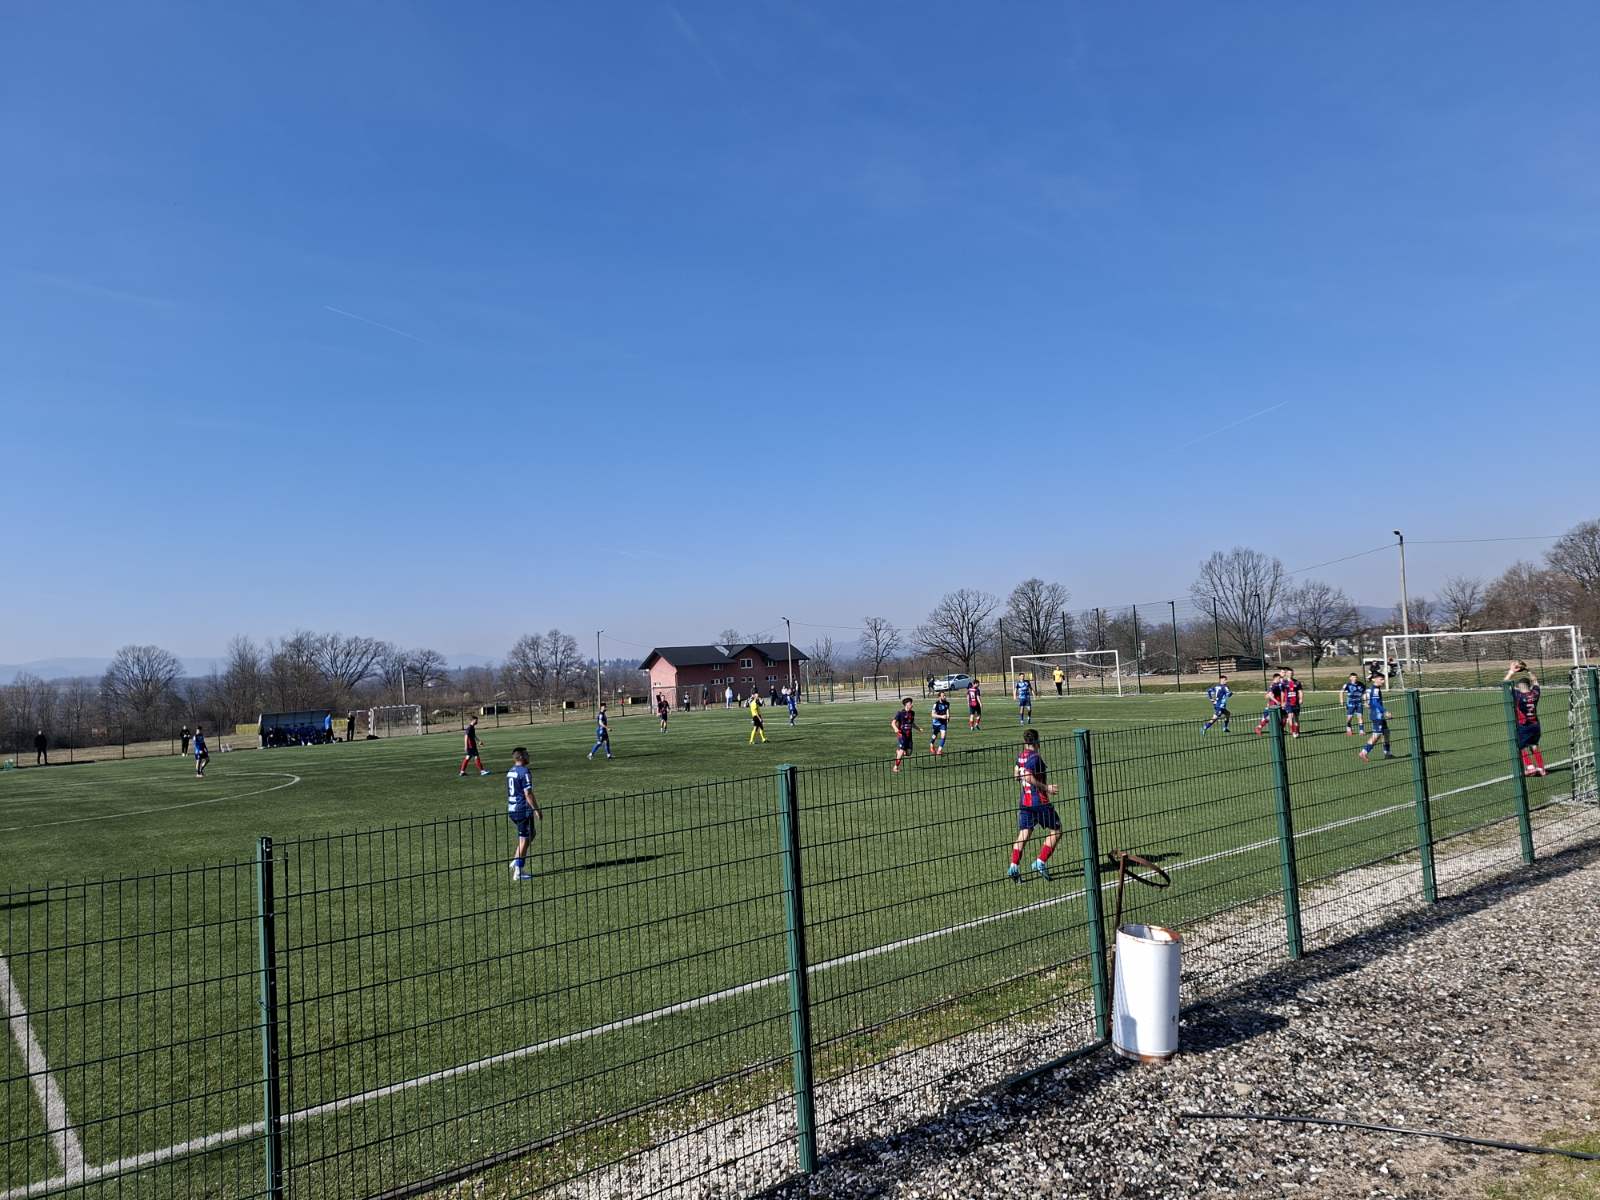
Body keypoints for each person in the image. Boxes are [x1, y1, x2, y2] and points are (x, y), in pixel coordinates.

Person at [1008, 728, 1061, 882]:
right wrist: (1046, 787)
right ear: (1037, 741)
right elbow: (1026, 775)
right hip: (1039, 801)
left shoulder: (1021, 756)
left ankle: (1013, 866)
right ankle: (1040, 862)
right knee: (1056, 830)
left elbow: (1016, 774)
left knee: (1024, 833)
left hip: (1025, 802)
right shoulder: (1035, 757)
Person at [505, 746, 543, 881]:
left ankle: (516, 860)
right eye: (527, 754)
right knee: (524, 839)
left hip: (512, 809)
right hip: (522, 810)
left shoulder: (511, 771)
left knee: (531, 834)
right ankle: (518, 871)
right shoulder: (524, 771)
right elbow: (528, 793)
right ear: (521, 757)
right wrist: (537, 810)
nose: (529, 756)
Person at [1506, 661, 1547, 776]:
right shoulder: (1535, 693)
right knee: (1534, 745)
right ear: (1529, 686)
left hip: (1524, 725)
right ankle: (1541, 769)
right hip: (1535, 725)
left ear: (1519, 686)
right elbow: (1535, 681)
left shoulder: (1518, 695)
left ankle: (1530, 767)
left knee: (1520, 746)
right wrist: (1528, 670)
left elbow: (1505, 683)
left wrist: (1511, 671)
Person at [1358, 672, 1393, 760]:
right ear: (1374, 679)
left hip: (1378, 714)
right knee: (1376, 735)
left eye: (1383, 679)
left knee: (1386, 732)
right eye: (1381, 679)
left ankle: (1387, 753)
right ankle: (1364, 752)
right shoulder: (1375, 689)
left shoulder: (1374, 689)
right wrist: (1385, 711)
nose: (1383, 681)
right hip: (1377, 715)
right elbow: (1375, 702)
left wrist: (1367, 703)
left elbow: (1367, 698)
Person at [891, 697, 918, 773]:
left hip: (909, 735)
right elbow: (893, 723)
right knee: (902, 751)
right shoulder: (900, 713)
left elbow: (912, 723)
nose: (912, 705)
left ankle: (899, 751)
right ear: (906, 704)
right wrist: (895, 728)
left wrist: (918, 728)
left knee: (908, 753)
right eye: (910, 703)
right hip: (902, 735)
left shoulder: (912, 713)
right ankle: (895, 767)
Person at [1281, 668, 1304, 738]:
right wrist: (1282, 702)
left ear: (1293, 674)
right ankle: (1293, 731)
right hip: (1288, 703)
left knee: (1296, 718)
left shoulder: (1297, 682)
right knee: (1290, 716)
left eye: (1291, 673)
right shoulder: (1284, 683)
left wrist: (1301, 699)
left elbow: (1300, 691)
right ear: (1286, 674)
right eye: (1289, 673)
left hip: (1296, 703)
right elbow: (1282, 693)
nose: (1290, 674)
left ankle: (1297, 731)